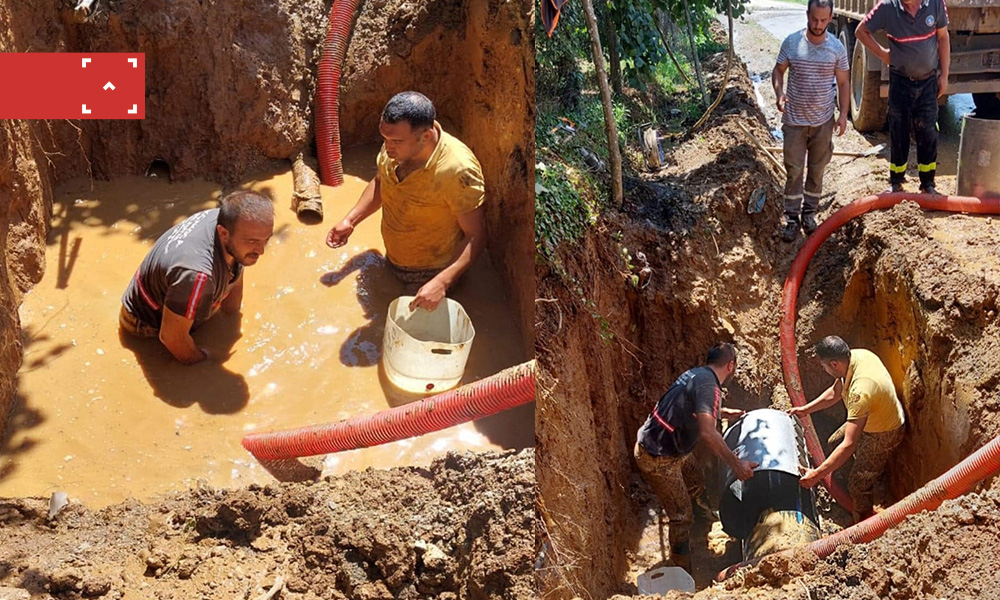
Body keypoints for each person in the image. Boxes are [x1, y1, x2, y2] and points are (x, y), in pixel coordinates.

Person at [326, 91, 486, 312]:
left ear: (426, 136)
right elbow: (381, 182)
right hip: (393, 259)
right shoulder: (396, 147)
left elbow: (475, 236)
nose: (387, 147)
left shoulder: (457, 171)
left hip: (432, 272)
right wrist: (351, 220)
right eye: (385, 138)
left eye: (395, 141)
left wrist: (442, 282)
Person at [633, 343, 758, 572]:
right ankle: (681, 569)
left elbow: (692, 406)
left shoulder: (698, 375)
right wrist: (737, 464)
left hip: (669, 446)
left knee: (695, 480)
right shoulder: (710, 386)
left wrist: (723, 413)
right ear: (730, 365)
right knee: (681, 516)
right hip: (658, 457)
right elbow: (708, 433)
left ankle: (703, 524)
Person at [119, 191, 274, 365]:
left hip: (179, 292)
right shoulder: (197, 275)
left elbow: (236, 270)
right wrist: (206, 365)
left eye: (266, 239)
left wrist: (232, 317)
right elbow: (172, 338)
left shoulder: (231, 223)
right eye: (253, 241)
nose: (261, 250)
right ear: (223, 233)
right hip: (145, 323)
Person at [791, 336, 905, 522]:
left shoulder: (860, 392)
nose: (824, 369)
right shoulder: (857, 357)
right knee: (833, 443)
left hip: (884, 432)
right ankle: (860, 481)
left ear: (834, 364)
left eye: (824, 366)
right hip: (873, 416)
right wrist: (805, 410)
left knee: (858, 486)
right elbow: (835, 392)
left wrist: (816, 475)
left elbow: (849, 444)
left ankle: (865, 521)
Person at [771, 0, 850, 243]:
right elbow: (778, 71)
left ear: (831, 17)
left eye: (823, 20)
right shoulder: (792, 43)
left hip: (823, 122)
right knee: (794, 170)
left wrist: (843, 115)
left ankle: (809, 213)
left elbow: (844, 82)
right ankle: (792, 218)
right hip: (794, 121)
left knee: (817, 169)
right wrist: (779, 93)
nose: (818, 24)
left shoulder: (836, 48)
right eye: (814, 19)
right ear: (807, 14)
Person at [856, 0, 950, 195]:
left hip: (928, 82)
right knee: (899, 130)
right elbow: (861, 31)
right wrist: (883, 54)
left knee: (928, 132)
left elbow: (943, 37)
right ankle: (896, 180)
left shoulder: (935, 4)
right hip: (900, 82)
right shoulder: (887, 7)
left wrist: (944, 76)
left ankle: (927, 183)